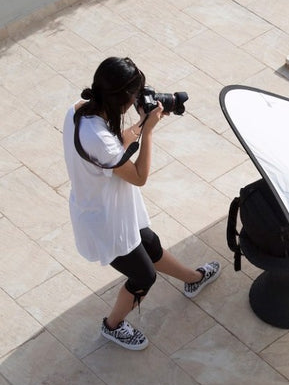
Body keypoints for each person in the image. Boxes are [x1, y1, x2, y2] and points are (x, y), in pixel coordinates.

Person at [62, 56, 221, 350]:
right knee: (144, 276)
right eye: (134, 95)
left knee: (149, 242)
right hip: (106, 222)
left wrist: (139, 124)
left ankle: (193, 278)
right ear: (121, 97)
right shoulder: (98, 137)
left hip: (111, 207)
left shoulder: (79, 109)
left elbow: (112, 151)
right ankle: (112, 326)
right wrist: (147, 132)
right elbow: (138, 176)